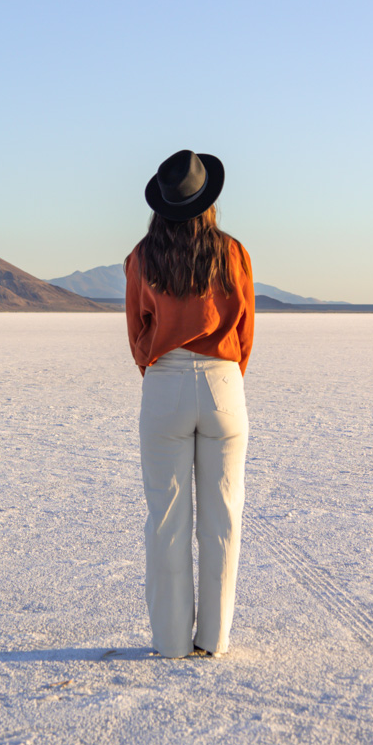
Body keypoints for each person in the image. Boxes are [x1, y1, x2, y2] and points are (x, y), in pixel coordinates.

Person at [125, 149, 254, 659]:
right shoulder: (233, 253)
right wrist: (223, 375)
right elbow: (244, 331)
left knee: (166, 518)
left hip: (165, 384)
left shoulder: (142, 256)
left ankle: (172, 642)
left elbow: (138, 332)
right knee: (223, 518)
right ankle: (215, 639)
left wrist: (160, 370)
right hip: (224, 384)